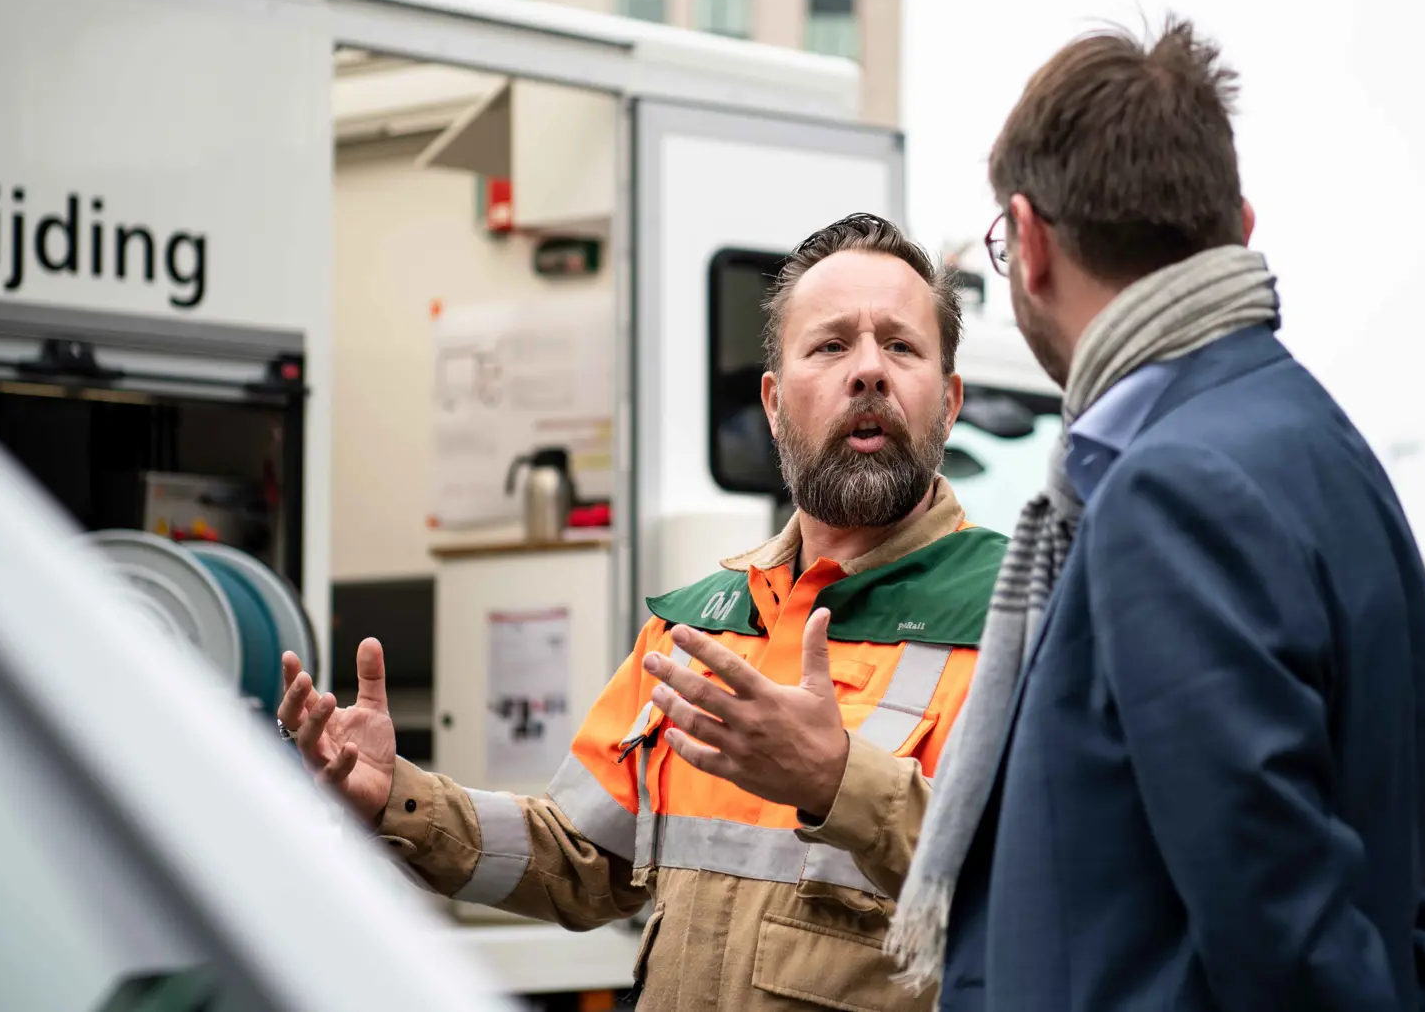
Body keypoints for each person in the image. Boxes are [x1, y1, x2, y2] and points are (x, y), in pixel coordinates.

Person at [882, 18, 1425, 1011]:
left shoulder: (1169, 490)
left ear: (1031, 243)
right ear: (1240, 225)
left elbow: (1282, 932)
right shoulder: (1330, 454)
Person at [280, 213, 1010, 1012]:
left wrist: (840, 782)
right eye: (831, 345)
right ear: (772, 403)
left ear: (949, 401)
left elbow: (1048, 882)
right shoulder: (702, 624)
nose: (868, 370)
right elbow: (578, 861)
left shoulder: (1020, 615)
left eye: (901, 346)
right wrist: (396, 799)